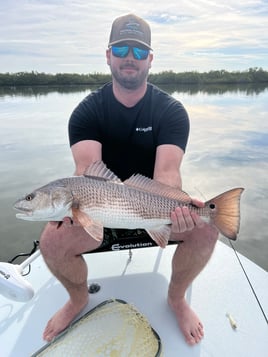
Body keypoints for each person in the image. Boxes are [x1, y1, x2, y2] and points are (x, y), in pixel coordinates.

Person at [39, 13, 218, 345]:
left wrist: (180, 207)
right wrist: (76, 212)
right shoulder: (86, 112)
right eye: (122, 49)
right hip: (100, 216)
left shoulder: (171, 111)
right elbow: (87, 172)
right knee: (50, 242)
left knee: (207, 227)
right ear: (108, 55)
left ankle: (176, 300)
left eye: (139, 51)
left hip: (153, 213)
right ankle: (78, 300)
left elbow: (166, 174)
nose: (130, 58)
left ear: (150, 59)